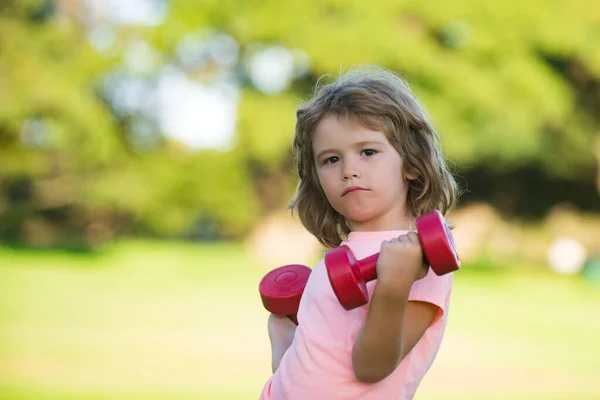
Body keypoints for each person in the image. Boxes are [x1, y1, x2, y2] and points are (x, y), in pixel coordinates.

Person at [260, 65, 460, 400]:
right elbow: (308, 374)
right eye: (331, 159)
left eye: (367, 152)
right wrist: (286, 335)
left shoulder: (419, 259)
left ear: (411, 163)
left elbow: (370, 368)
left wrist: (394, 285)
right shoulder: (336, 260)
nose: (349, 170)